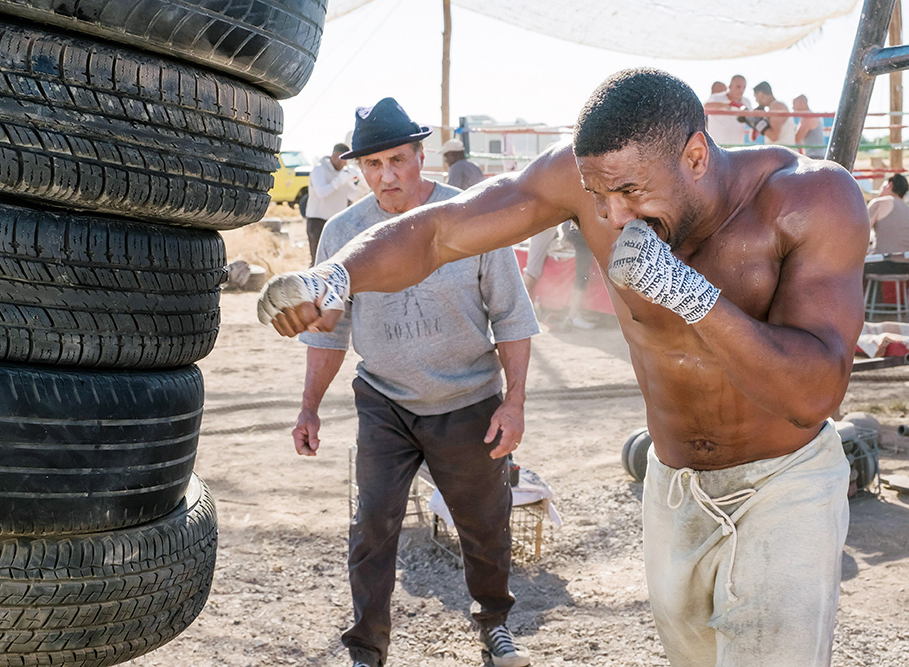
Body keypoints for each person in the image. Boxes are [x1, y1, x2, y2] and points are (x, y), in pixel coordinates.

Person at [258, 68, 869, 666]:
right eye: (597, 196)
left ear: (696, 156)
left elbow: (813, 392)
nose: (610, 218)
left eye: (630, 193)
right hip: (674, 485)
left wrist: (694, 298)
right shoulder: (590, 181)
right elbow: (441, 234)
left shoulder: (807, 197)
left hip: (783, 485)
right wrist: (334, 276)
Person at [282, 97, 538, 667]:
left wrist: (514, 403)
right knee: (373, 521)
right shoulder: (343, 235)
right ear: (359, 169)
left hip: (468, 398)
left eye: (398, 160)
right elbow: (329, 332)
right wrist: (309, 409)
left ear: (422, 155)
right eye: (372, 165)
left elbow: (512, 317)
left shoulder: (471, 218)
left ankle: (494, 624)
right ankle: (367, 647)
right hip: (385, 400)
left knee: (484, 523)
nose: (387, 176)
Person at [305, 142, 362, 263]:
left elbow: (353, 194)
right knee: (318, 262)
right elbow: (321, 192)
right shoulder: (319, 169)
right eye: (344, 159)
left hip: (337, 223)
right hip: (318, 222)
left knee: (336, 261)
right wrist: (339, 180)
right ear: (336, 156)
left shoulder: (343, 173)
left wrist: (361, 181)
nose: (346, 163)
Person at [702, 74, 753, 146]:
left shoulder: (747, 102)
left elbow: (751, 120)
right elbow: (705, 107)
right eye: (738, 87)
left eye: (744, 87)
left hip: (737, 147)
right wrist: (730, 104)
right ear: (730, 86)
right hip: (716, 146)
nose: (741, 90)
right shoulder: (716, 98)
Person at [868, 173, 909, 257]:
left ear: (889, 185)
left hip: (884, 262)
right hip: (906, 263)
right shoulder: (906, 209)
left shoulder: (879, 203)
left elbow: (859, 232)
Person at [749, 81, 797, 147]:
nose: (755, 100)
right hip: (780, 152)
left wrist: (758, 123)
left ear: (760, 94)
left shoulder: (776, 106)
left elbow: (774, 136)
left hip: (782, 153)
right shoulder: (775, 107)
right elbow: (752, 138)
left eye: (755, 97)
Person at [793, 94, 827, 159]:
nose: (793, 107)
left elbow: (797, 138)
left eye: (794, 104)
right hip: (816, 156)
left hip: (814, 157)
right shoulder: (811, 115)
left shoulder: (808, 117)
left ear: (801, 103)